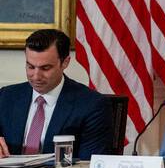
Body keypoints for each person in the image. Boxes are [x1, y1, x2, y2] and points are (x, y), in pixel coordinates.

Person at [0, 28, 112, 160]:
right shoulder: (6, 96)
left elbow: (88, 164)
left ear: (65, 62)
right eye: (30, 67)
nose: (36, 76)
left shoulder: (92, 105)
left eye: (45, 68)